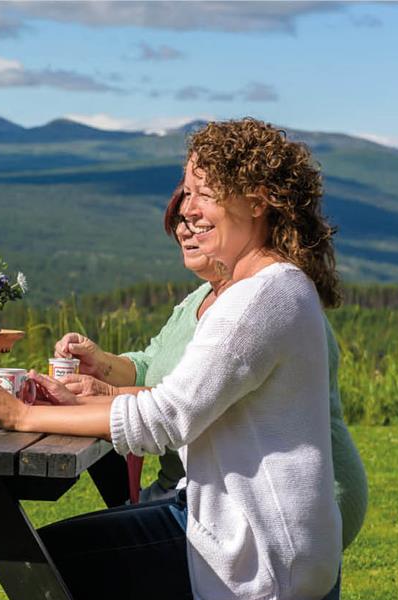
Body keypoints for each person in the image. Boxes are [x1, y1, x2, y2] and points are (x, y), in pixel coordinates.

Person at [0, 118, 344, 600]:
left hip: (259, 552)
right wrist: (78, 404)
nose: (187, 209)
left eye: (204, 194)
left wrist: (23, 415)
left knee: (43, 565)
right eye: (188, 193)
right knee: (55, 559)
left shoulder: (260, 298)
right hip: (272, 539)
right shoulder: (272, 288)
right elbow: (170, 403)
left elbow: (163, 420)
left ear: (257, 201)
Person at [52, 184, 367, 550]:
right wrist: (101, 363)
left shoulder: (255, 308)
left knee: (70, 554)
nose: (185, 231)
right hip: (201, 491)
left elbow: (193, 403)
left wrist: (96, 398)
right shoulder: (201, 299)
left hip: (288, 501)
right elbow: (155, 363)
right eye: (180, 221)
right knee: (85, 552)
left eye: (199, 224)